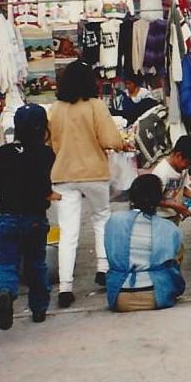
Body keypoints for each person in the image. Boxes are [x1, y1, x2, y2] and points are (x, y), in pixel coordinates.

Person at [48, 60, 125, 309]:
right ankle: (103, 268)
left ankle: (65, 287)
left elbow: (52, 143)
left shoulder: (56, 109)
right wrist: (122, 144)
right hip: (94, 172)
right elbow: (110, 138)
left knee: (68, 231)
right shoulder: (95, 106)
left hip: (63, 174)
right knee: (101, 218)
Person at [0, 104, 57, 328]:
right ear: (43, 127)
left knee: (7, 262)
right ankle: (39, 310)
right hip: (35, 217)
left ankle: (5, 291)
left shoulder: (4, 152)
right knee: (36, 265)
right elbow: (49, 183)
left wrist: (8, 182)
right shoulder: (45, 154)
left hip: (7, 217)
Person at [104, 173, 185, 312]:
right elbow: (175, 262)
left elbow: (110, 253)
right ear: (159, 198)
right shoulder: (170, 228)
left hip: (119, 296)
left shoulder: (114, 221)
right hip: (157, 296)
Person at [151, 134, 191, 221]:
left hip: (174, 215)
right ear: (179, 155)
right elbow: (153, 199)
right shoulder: (162, 172)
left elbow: (179, 187)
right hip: (161, 217)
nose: (188, 167)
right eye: (188, 163)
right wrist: (175, 206)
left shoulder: (181, 169)